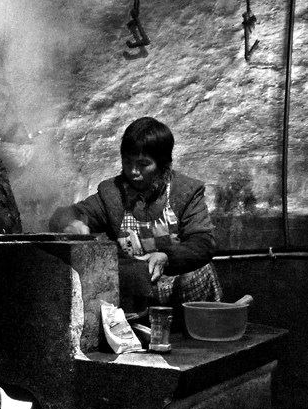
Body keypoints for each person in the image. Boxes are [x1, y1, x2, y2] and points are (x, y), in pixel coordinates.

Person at [49, 116, 221, 312]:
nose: (133, 171)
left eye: (143, 164)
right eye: (127, 162)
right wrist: (71, 222)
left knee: (199, 272)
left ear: (163, 164)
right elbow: (69, 214)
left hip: (179, 287)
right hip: (137, 290)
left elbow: (203, 243)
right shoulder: (112, 194)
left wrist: (166, 257)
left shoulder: (185, 191)